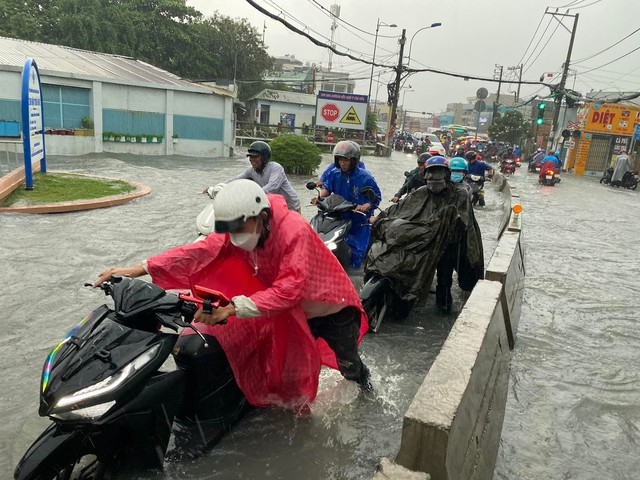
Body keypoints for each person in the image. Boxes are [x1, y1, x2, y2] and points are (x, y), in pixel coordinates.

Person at [93, 179, 371, 452]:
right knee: (290, 365)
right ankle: (293, 416)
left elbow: (290, 289)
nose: (238, 239)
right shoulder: (239, 222)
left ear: (262, 216)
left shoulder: (293, 231)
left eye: (243, 231)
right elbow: (198, 252)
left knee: (347, 363)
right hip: (292, 311)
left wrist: (232, 308)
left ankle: (367, 387)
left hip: (330, 306)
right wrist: (138, 269)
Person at [368, 156, 484, 314]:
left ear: (446, 175)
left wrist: (446, 224)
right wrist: (380, 219)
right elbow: (400, 209)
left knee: (444, 279)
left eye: (438, 174)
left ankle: (443, 310)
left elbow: (463, 222)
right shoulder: (421, 192)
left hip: (447, 244)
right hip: (424, 241)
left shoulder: (460, 194)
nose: (434, 179)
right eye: (431, 175)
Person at [315, 140, 382, 268]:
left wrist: (365, 206)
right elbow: (328, 188)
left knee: (356, 254)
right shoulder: (334, 174)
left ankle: (355, 280)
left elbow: (376, 198)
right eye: (340, 160)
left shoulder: (365, 177)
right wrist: (319, 197)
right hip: (339, 217)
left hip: (359, 220)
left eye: (346, 160)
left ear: (354, 161)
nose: (342, 163)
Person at [210, 141, 301, 212]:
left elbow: (271, 187)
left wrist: (249, 197)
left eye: (255, 157)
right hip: (273, 206)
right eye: (250, 157)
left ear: (264, 157)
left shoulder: (276, 168)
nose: (252, 160)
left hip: (291, 207)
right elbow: (235, 180)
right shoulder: (251, 171)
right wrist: (217, 187)